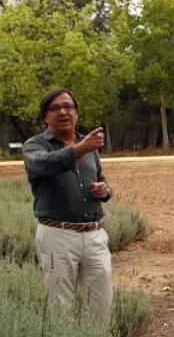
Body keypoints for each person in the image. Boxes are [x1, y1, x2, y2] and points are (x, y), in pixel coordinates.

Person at [23, 88, 113, 321]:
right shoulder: (35, 146)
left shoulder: (87, 146)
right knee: (60, 308)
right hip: (57, 235)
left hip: (94, 235)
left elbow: (101, 178)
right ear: (45, 116)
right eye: (55, 108)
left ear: (76, 112)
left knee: (102, 306)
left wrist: (105, 191)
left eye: (68, 107)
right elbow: (43, 165)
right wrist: (80, 148)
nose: (63, 112)